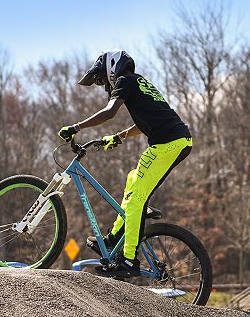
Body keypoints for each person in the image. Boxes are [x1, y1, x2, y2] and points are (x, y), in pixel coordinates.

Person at [58, 50, 192, 277]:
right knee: (132, 179)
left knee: (136, 197)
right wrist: (119, 137)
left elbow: (109, 112)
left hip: (167, 144)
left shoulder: (124, 80)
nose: (102, 85)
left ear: (112, 68)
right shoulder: (139, 83)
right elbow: (145, 122)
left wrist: (76, 127)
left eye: (101, 79)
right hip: (176, 141)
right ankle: (113, 238)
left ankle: (130, 260)